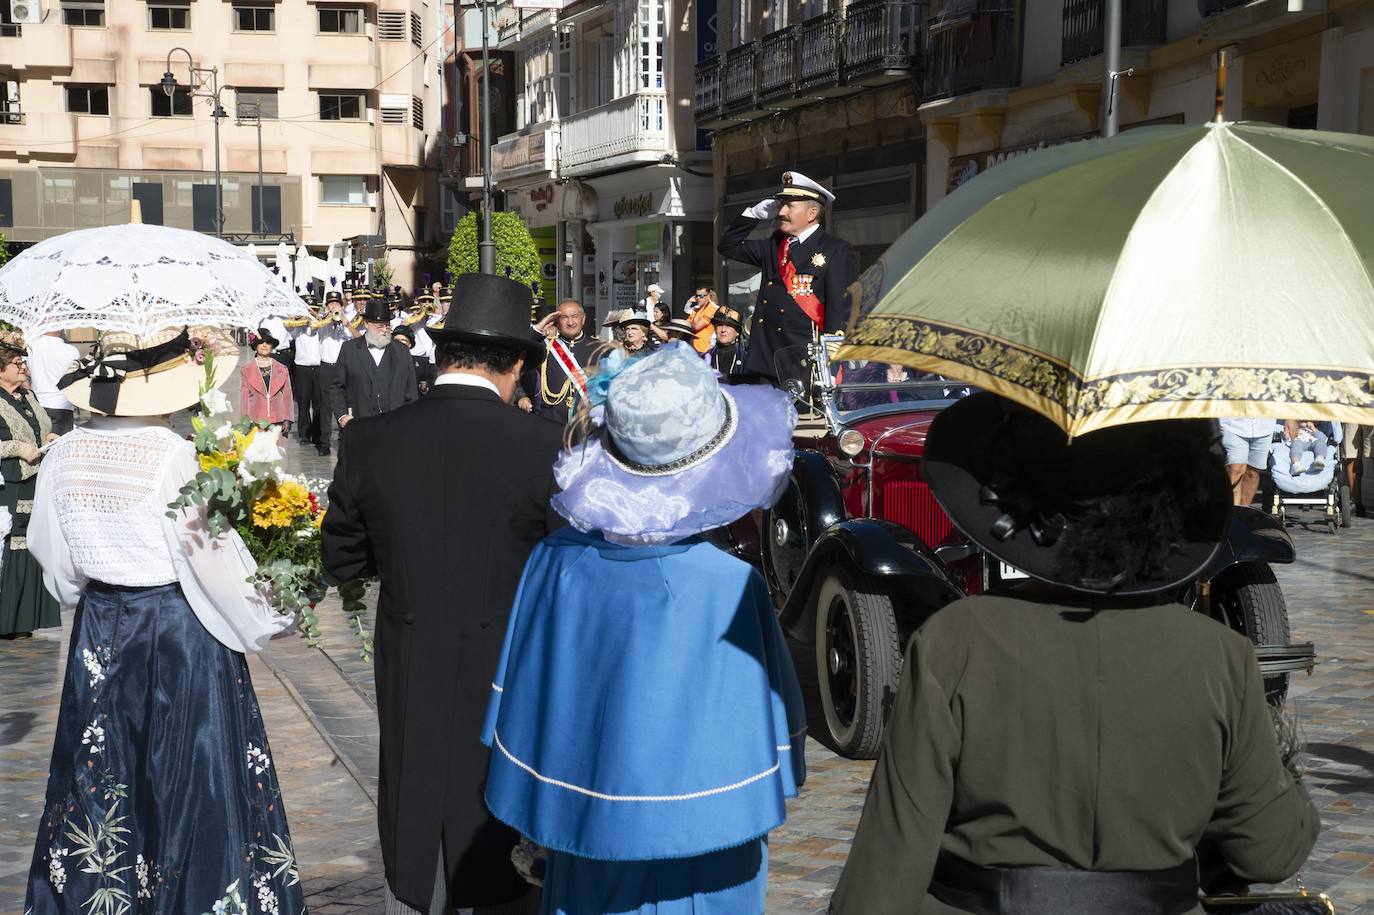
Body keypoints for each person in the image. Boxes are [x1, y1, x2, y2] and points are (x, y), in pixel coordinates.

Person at [829, 394, 1320, 914]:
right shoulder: (1220, 656)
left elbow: (885, 872)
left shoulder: (956, 640)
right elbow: (1272, 850)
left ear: (1023, 498)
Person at [482, 342, 806, 915]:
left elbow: (523, 700)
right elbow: (775, 727)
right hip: (707, 841)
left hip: (589, 826)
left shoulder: (554, 562)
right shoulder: (729, 584)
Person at [23, 326, 303, 913]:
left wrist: (92, 590)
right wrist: (268, 615)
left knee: (100, 771)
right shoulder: (169, 453)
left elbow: (53, 556)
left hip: (100, 628)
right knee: (189, 774)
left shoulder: (65, 451)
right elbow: (208, 559)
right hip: (177, 631)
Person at [321, 273, 563, 915]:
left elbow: (342, 555)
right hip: (508, 645)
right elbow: (564, 558)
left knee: (415, 762)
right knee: (499, 775)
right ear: (514, 365)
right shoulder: (544, 443)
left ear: (441, 354)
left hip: (411, 632)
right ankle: (502, 886)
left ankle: (419, 888)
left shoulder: (371, 439)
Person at [718, 171, 858, 386]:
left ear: (811, 213)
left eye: (789, 206)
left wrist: (832, 362)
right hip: (764, 357)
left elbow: (840, 310)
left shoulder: (835, 250)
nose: (781, 211)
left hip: (801, 360)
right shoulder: (775, 244)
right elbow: (728, 246)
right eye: (781, 205)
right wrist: (752, 215)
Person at [0, 331, 59, 639]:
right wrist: (16, 447)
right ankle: (5, 617)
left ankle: (24, 619)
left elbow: (40, 428)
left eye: (22, 362)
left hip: (37, 478)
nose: (23, 367)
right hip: (9, 482)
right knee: (13, 540)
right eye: (15, 363)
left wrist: (46, 439)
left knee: (33, 540)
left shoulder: (29, 396)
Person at [329, 293, 416, 437]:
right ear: (367, 324)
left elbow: (410, 391)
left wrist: (408, 420)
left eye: (387, 326)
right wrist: (342, 415)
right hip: (359, 427)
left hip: (395, 428)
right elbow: (337, 387)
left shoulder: (401, 352)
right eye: (379, 326)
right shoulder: (349, 349)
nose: (384, 330)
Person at [517, 299, 598, 422]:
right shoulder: (545, 346)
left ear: (583, 318)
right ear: (557, 321)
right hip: (550, 421)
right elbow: (516, 356)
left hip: (585, 423)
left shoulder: (599, 348)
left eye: (574, 316)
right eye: (564, 317)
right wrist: (521, 395)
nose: (570, 322)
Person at [316, 289, 360, 456]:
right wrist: (327, 318)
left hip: (343, 368)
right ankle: (324, 443)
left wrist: (347, 324)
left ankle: (345, 439)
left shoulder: (348, 323)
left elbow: (359, 339)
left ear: (342, 307)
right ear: (326, 307)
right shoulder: (322, 323)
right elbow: (314, 329)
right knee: (325, 406)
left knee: (345, 405)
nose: (334, 306)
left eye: (336, 304)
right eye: (330, 304)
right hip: (326, 367)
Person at [240, 327, 295, 433]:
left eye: (268, 342)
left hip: (278, 421)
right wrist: (245, 422)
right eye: (261, 342)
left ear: (272, 346)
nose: (264, 345)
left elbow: (287, 396)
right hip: (255, 422)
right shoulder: (246, 370)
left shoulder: (282, 369)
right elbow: (244, 398)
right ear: (255, 346)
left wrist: (288, 418)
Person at [26, 330, 81, 435]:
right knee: (60, 446)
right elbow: (75, 380)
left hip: (37, 404)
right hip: (63, 405)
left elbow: (25, 374)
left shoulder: (31, 346)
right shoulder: (71, 351)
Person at [289, 292, 325, 448]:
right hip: (302, 367)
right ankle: (304, 434)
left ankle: (317, 433)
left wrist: (318, 319)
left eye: (313, 308)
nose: (311, 311)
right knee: (303, 402)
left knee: (319, 403)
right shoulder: (299, 324)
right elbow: (289, 330)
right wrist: (301, 320)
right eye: (308, 309)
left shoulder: (323, 323)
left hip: (319, 367)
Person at [1219, 417, 1275, 506]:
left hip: (1264, 426)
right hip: (1232, 425)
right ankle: (1234, 514)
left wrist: (1290, 419)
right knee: (1235, 470)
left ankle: (1244, 511)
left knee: (1252, 474)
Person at [1341, 422, 1370, 516]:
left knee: (1372, 452)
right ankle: (1355, 502)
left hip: (1370, 410)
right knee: (1351, 457)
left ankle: (1356, 502)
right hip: (1350, 410)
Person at [709, 305, 746, 376]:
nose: (723, 330)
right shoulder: (706, 357)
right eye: (720, 324)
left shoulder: (746, 359)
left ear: (737, 331)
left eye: (728, 325)